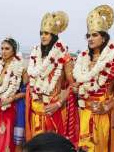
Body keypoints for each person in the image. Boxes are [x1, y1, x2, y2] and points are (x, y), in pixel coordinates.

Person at [73, 5, 114, 152]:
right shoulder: (83, 60)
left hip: (102, 115)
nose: (90, 38)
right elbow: (80, 85)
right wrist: (76, 89)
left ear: (104, 37)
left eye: (95, 35)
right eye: (88, 36)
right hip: (84, 113)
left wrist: (107, 107)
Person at [25, 11, 78, 145]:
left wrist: (58, 104)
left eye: (47, 33)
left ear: (54, 35)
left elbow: (73, 86)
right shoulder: (35, 56)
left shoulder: (64, 57)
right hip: (35, 110)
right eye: (41, 33)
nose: (43, 36)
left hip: (54, 111)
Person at [0, 37, 28, 152]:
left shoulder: (21, 68)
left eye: (7, 48)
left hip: (12, 108)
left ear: (14, 50)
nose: (3, 51)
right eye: (2, 48)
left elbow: (26, 91)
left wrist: (11, 98)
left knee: (8, 139)